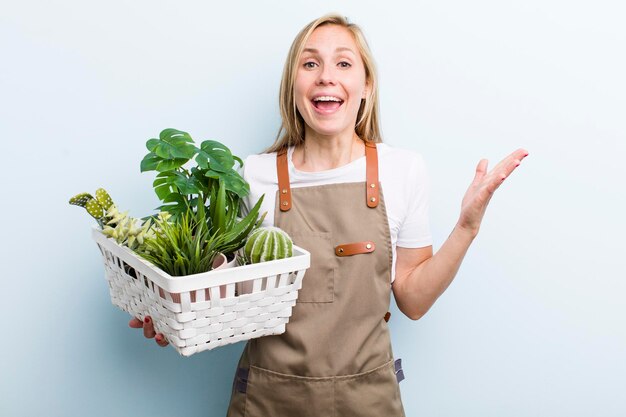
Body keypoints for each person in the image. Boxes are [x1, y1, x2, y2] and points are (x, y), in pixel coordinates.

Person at [131, 13, 528, 416]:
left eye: (343, 63)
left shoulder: (402, 170)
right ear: (294, 86)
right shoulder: (254, 174)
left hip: (368, 401)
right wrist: (173, 316)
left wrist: (466, 227)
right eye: (310, 63)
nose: (325, 76)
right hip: (268, 400)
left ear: (366, 87)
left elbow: (413, 300)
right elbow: (230, 295)